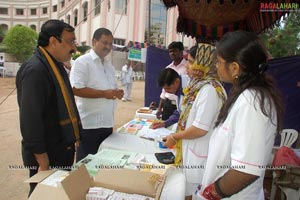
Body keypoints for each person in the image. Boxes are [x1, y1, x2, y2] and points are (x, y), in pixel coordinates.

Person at [197, 31, 284, 200]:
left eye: (219, 62)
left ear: (235, 68)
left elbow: (245, 171)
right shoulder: (246, 95)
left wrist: (211, 193)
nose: (216, 66)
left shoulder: (252, 102)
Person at [16, 20, 81, 196]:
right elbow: (31, 120)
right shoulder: (35, 70)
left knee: (57, 195)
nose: (74, 48)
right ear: (53, 41)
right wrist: (42, 160)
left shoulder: (54, 65)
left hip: (59, 149)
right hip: (47, 155)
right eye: (70, 41)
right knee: (42, 195)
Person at [163, 43, 227, 199]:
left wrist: (175, 137)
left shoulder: (209, 90)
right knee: (186, 189)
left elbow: (200, 129)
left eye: (191, 62)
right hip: (193, 149)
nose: (187, 67)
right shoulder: (197, 86)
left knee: (193, 192)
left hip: (200, 153)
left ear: (203, 63)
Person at [70, 28, 124, 162]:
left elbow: (109, 89)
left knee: (101, 162)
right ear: (95, 41)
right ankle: (80, 183)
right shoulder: (82, 62)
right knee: (85, 163)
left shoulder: (108, 65)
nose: (108, 47)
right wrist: (104, 94)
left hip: (106, 123)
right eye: (105, 43)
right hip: (89, 124)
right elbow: (75, 89)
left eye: (110, 44)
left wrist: (117, 93)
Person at [156, 41, 187, 120]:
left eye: (174, 51)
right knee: (165, 127)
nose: (172, 53)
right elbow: (163, 91)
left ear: (181, 52)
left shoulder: (188, 68)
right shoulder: (168, 68)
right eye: (170, 51)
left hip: (182, 104)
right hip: (168, 104)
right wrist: (159, 108)